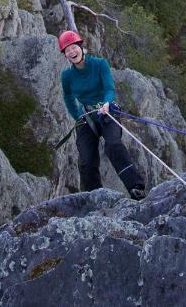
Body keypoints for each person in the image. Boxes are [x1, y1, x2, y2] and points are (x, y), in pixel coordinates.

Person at [58, 30, 145, 200]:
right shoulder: (67, 76)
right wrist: (77, 115)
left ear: (81, 47)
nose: (72, 52)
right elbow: (68, 97)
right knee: (86, 159)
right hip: (86, 117)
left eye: (74, 47)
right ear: (65, 55)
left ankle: (136, 187)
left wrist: (106, 103)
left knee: (113, 145)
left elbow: (109, 88)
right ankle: (95, 197)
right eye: (67, 50)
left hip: (107, 111)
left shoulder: (100, 64)